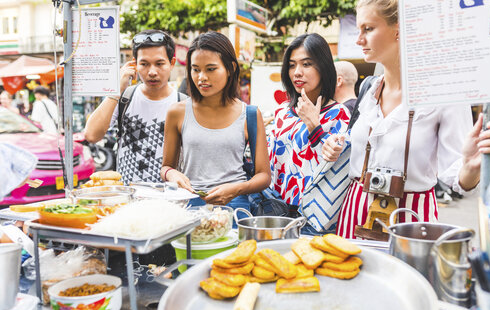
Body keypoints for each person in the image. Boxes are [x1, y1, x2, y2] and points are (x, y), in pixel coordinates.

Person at [322, 0, 488, 239]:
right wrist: (337, 146)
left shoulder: (444, 93)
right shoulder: (369, 89)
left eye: (368, 29)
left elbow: (457, 175)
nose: (359, 39)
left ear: (400, 29)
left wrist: (471, 168)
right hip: (354, 212)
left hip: (410, 219)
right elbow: (357, 149)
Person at [161, 31, 270, 211]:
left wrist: (236, 189)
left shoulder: (250, 114)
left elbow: (264, 176)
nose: (201, 77)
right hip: (189, 208)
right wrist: (172, 174)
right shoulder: (177, 112)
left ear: (231, 68)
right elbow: (166, 167)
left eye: (210, 69)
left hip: (235, 209)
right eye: (195, 69)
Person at [268, 33, 351, 228]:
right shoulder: (282, 114)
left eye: (306, 64)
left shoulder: (338, 114)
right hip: (277, 212)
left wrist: (314, 126)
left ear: (323, 67)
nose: (297, 72)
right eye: (292, 65)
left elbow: (335, 167)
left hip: (315, 218)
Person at [85, 30, 183, 184]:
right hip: (127, 198)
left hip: (168, 199)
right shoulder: (124, 98)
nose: (152, 72)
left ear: (171, 63)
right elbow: (91, 135)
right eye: (144, 64)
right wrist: (116, 90)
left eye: (159, 64)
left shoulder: (182, 104)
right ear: (134, 64)